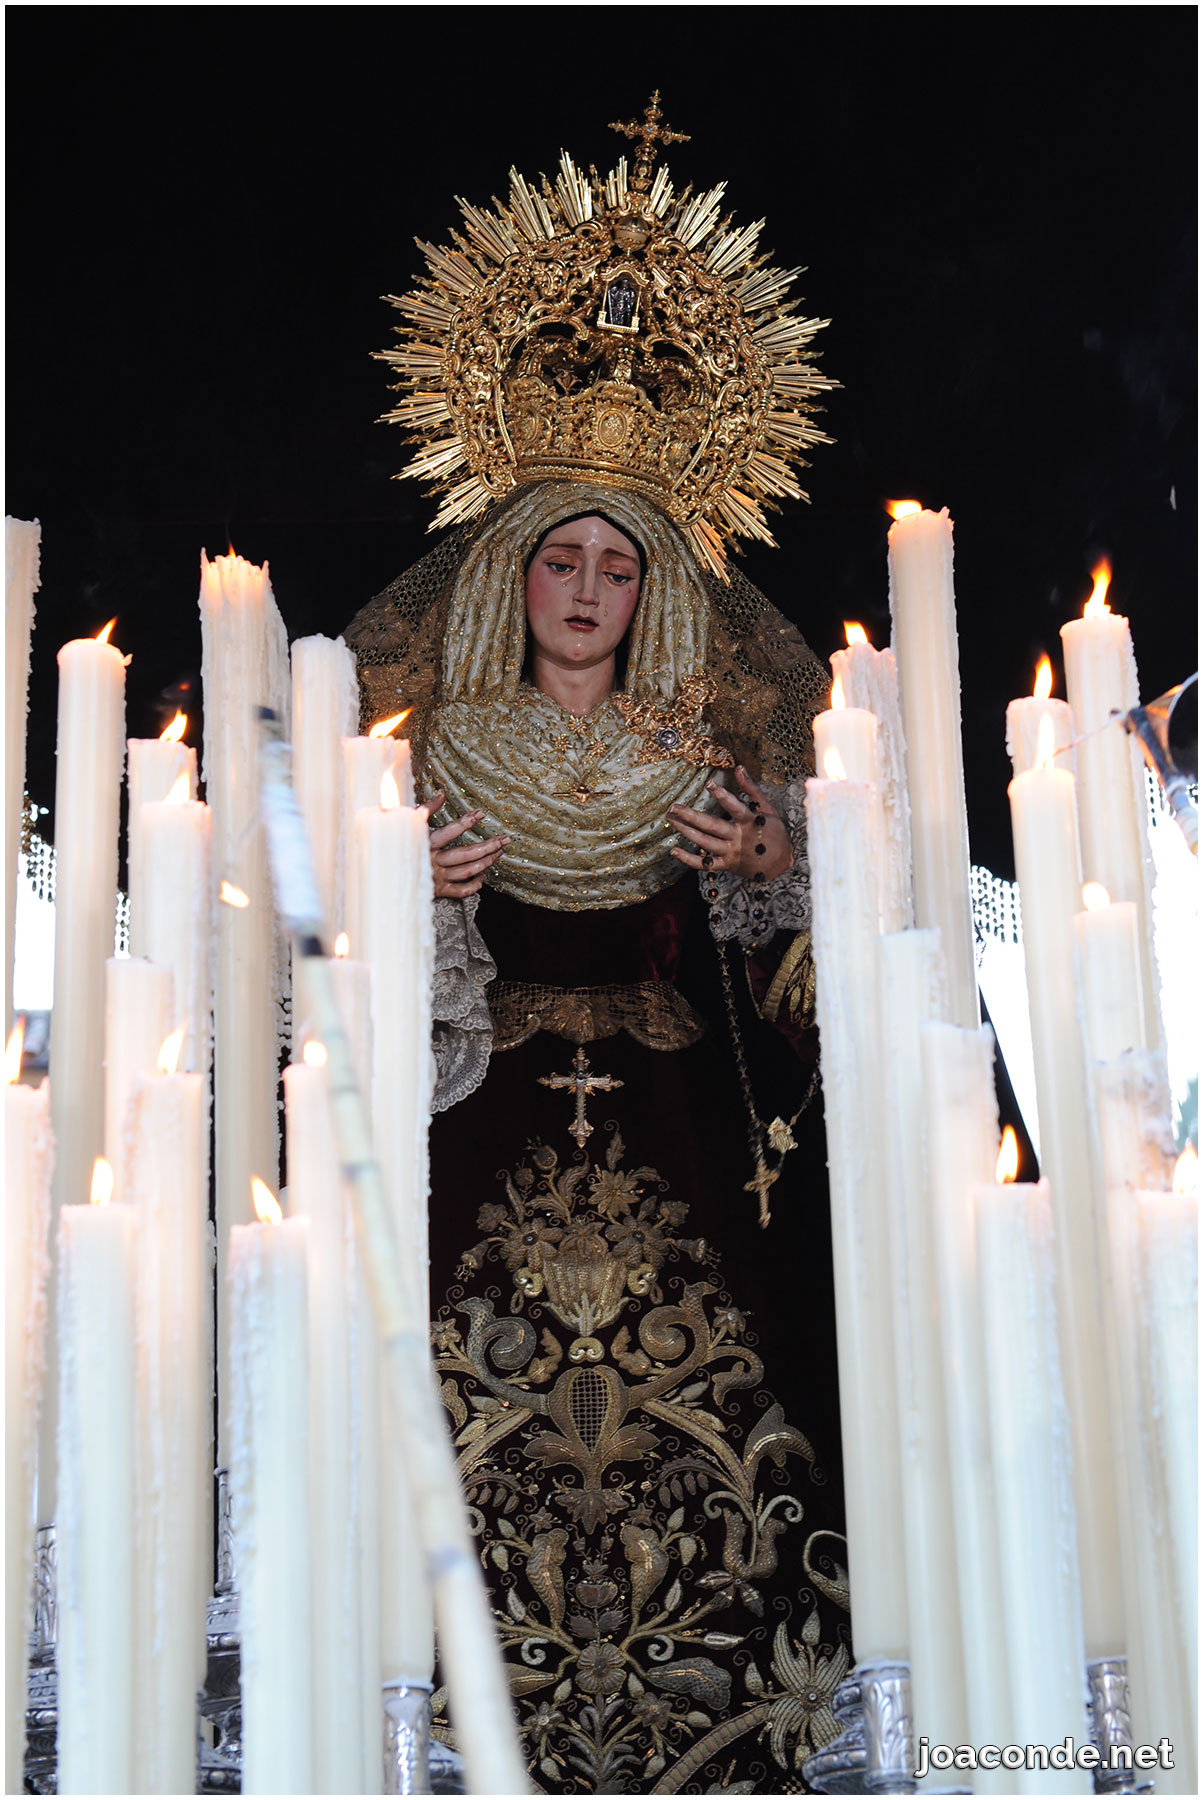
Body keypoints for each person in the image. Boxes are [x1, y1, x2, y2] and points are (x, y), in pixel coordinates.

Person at [346, 100, 850, 1793]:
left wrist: (780, 864)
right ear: (508, 574)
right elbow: (317, 965)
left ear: (655, 596)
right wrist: (403, 890)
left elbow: (808, 991)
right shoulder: (426, 749)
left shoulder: (710, 757)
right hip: (481, 1130)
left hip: (684, 1139)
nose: (583, 589)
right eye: (556, 558)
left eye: (616, 568)